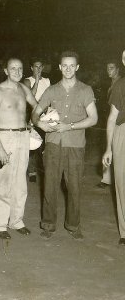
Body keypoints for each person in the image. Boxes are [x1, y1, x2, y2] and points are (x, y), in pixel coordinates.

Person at [32, 51, 97, 240]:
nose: (68, 69)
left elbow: (93, 118)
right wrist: (39, 123)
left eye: (72, 65)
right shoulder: (51, 90)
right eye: (64, 65)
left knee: (74, 186)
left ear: (77, 67)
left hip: (75, 145)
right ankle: (48, 224)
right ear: (60, 67)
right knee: (50, 184)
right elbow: (35, 113)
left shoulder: (86, 90)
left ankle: (73, 225)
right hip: (53, 145)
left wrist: (69, 126)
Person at [0, 58, 37, 240]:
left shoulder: (24, 89)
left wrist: (47, 119)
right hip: (3, 138)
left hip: (22, 137)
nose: (16, 72)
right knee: (3, 182)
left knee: (20, 182)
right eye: (13, 68)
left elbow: (37, 106)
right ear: (6, 71)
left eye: (20, 68)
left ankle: (16, 221)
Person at [102, 53, 125, 245]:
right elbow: (111, 118)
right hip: (123, 131)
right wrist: (108, 149)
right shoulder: (120, 85)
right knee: (122, 182)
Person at [23, 59, 51, 182]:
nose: (38, 69)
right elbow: (31, 96)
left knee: (46, 144)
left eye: (40, 66)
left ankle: (46, 169)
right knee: (33, 143)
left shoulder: (47, 81)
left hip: (45, 113)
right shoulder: (27, 81)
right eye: (36, 66)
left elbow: (50, 98)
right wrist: (37, 81)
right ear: (31, 68)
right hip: (32, 113)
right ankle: (32, 171)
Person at [98, 60, 121, 189]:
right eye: (107, 68)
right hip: (109, 120)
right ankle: (106, 179)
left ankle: (113, 179)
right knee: (107, 147)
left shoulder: (120, 83)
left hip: (118, 122)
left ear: (118, 69)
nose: (108, 71)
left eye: (111, 68)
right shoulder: (110, 84)